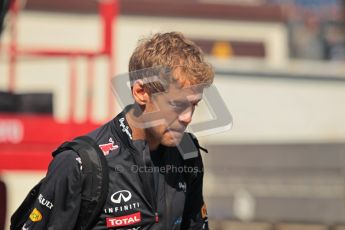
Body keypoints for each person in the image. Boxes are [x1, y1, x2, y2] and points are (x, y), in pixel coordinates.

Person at [20, 31, 214, 229]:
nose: (188, 117)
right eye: (177, 105)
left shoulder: (187, 154)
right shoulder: (79, 165)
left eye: (194, 105)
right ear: (141, 93)